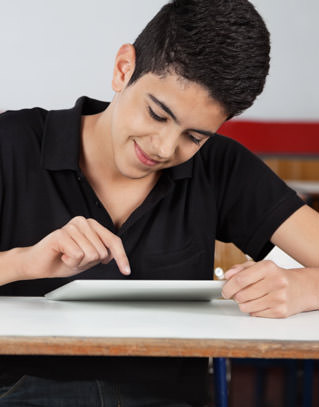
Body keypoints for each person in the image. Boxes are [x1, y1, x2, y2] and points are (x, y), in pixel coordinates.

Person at [0, 0, 318, 405]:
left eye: (195, 137)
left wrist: (306, 287)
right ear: (123, 69)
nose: (165, 148)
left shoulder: (220, 166)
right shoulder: (13, 143)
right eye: (157, 114)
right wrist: (22, 262)